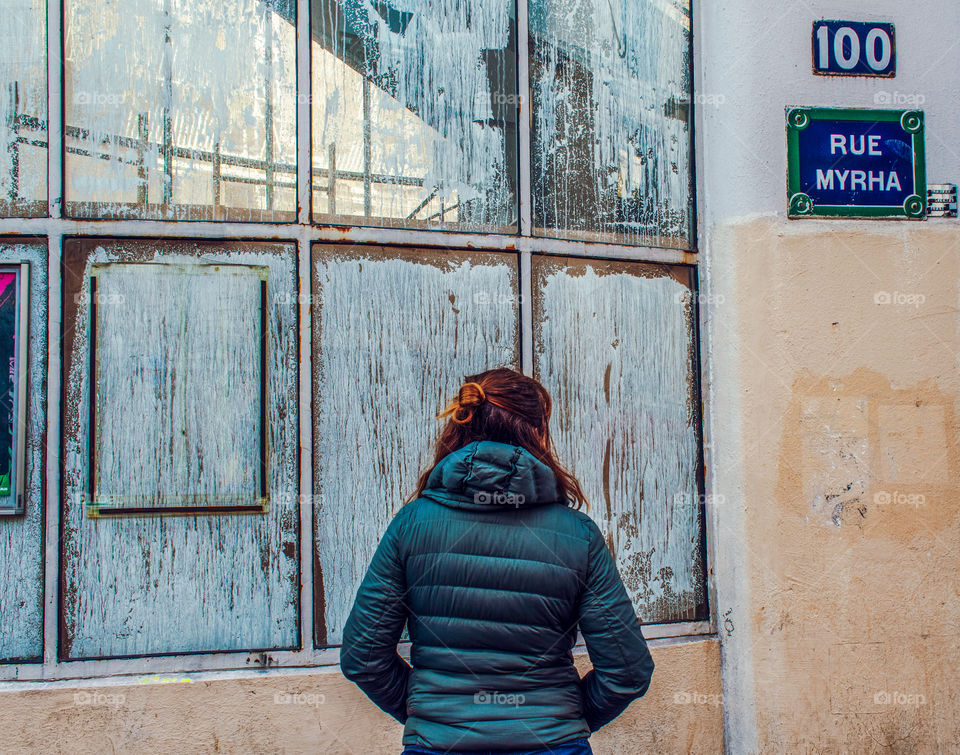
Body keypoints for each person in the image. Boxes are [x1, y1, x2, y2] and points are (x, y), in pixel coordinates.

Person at [340, 367, 654, 754]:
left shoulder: (411, 525)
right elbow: (628, 671)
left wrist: (432, 713)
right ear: (537, 433)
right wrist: (561, 718)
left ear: (461, 423)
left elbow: (363, 657)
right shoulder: (579, 535)